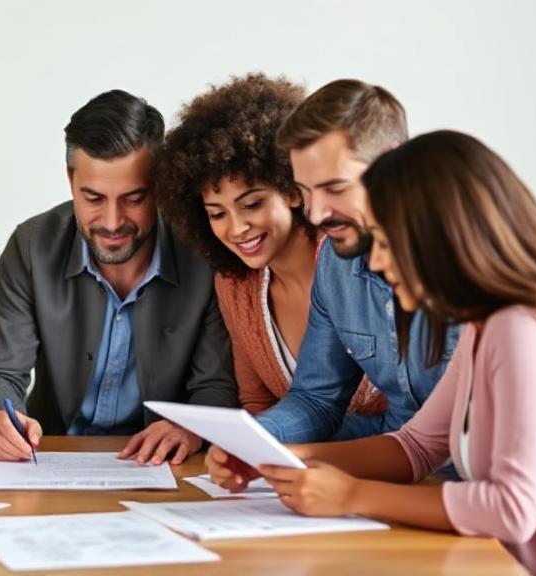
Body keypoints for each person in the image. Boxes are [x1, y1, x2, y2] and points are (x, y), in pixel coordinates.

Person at [209, 131, 536, 575]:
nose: (375, 263)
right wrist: (280, 460)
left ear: (437, 235)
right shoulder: (485, 326)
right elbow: (415, 446)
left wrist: (351, 496)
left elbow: (511, 508)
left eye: (384, 240)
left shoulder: (522, 329)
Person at [0, 89, 238, 465]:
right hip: (51, 464)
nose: (112, 222)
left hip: (163, 468)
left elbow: (216, 386)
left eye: (134, 198)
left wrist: (189, 429)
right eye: (93, 198)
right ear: (70, 180)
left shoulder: (202, 253)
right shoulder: (31, 247)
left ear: (159, 185)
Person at [155, 72, 386, 417]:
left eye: (252, 204)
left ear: (293, 189)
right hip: (303, 465)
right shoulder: (236, 287)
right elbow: (257, 403)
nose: (237, 228)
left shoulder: (357, 256)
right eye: (217, 214)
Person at [248, 78, 459, 443]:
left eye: (335, 188)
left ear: (393, 164)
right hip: (400, 456)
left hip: (468, 476)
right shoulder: (335, 260)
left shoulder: (473, 265)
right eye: (304, 192)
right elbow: (317, 400)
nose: (315, 215)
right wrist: (252, 441)